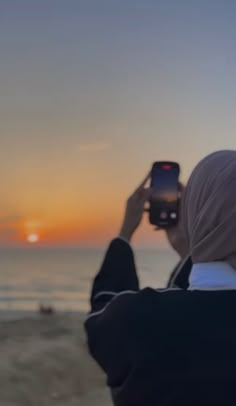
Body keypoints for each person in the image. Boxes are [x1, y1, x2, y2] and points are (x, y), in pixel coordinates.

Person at [85, 150, 236, 406]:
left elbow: (100, 313)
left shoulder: (139, 319)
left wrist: (125, 233)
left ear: (194, 214)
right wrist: (189, 251)